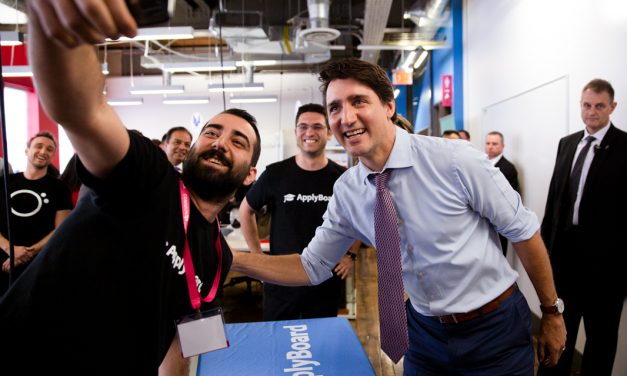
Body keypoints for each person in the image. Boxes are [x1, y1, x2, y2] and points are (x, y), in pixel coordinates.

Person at [232, 58, 566, 375]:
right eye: (335, 107)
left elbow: (524, 233)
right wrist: (232, 260)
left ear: (389, 106)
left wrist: (551, 312)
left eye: (358, 101)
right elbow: (312, 265)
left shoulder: (454, 161)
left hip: (494, 329)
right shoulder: (348, 191)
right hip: (423, 332)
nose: (345, 117)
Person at [0, 3, 260, 375]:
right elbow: (82, 110)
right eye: (212, 133)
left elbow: (184, 349)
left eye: (238, 141)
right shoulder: (149, 176)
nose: (219, 142)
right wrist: (59, 25)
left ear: (250, 173)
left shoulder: (218, 260)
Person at [539, 79, 627, 376]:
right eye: (586, 105)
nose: (591, 112)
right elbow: (553, 203)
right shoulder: (568, 143)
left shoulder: (625, 147)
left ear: (612, 107)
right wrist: (544, 254)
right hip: (564, 264)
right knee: (558, 336)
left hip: (607, 271)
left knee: (600, 343)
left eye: (599, 106)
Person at [239, 103, 356, 321]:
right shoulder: (275, 173)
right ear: (295, 133)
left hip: (325, 281)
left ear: (329, 132)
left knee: (320, 346)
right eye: (303, 127)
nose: (309, 132)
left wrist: (351, 255)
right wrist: (257, 257)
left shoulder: (343, 177)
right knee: (278, 344)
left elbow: (359, 219)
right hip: (280, 281)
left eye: (317, 127)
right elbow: (246, 210)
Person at [0, 131, 73, 295]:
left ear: (53, 155)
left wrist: (28, 252)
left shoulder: (59, 188)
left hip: (38, 265)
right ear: (27, 150)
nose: (43, 152)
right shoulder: (5, 182)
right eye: (38, 146)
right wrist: (10, 250)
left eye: (49, 149)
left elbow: (60, 230)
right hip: (4, 261)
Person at [484, 131, 520, 256]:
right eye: (488, 143)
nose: (490, 146)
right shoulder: (480, 163)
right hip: (481, 222)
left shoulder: (508, 168)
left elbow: (511, 198)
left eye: (494, 144)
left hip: (498, 223)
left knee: (498, 258)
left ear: (502, 146)